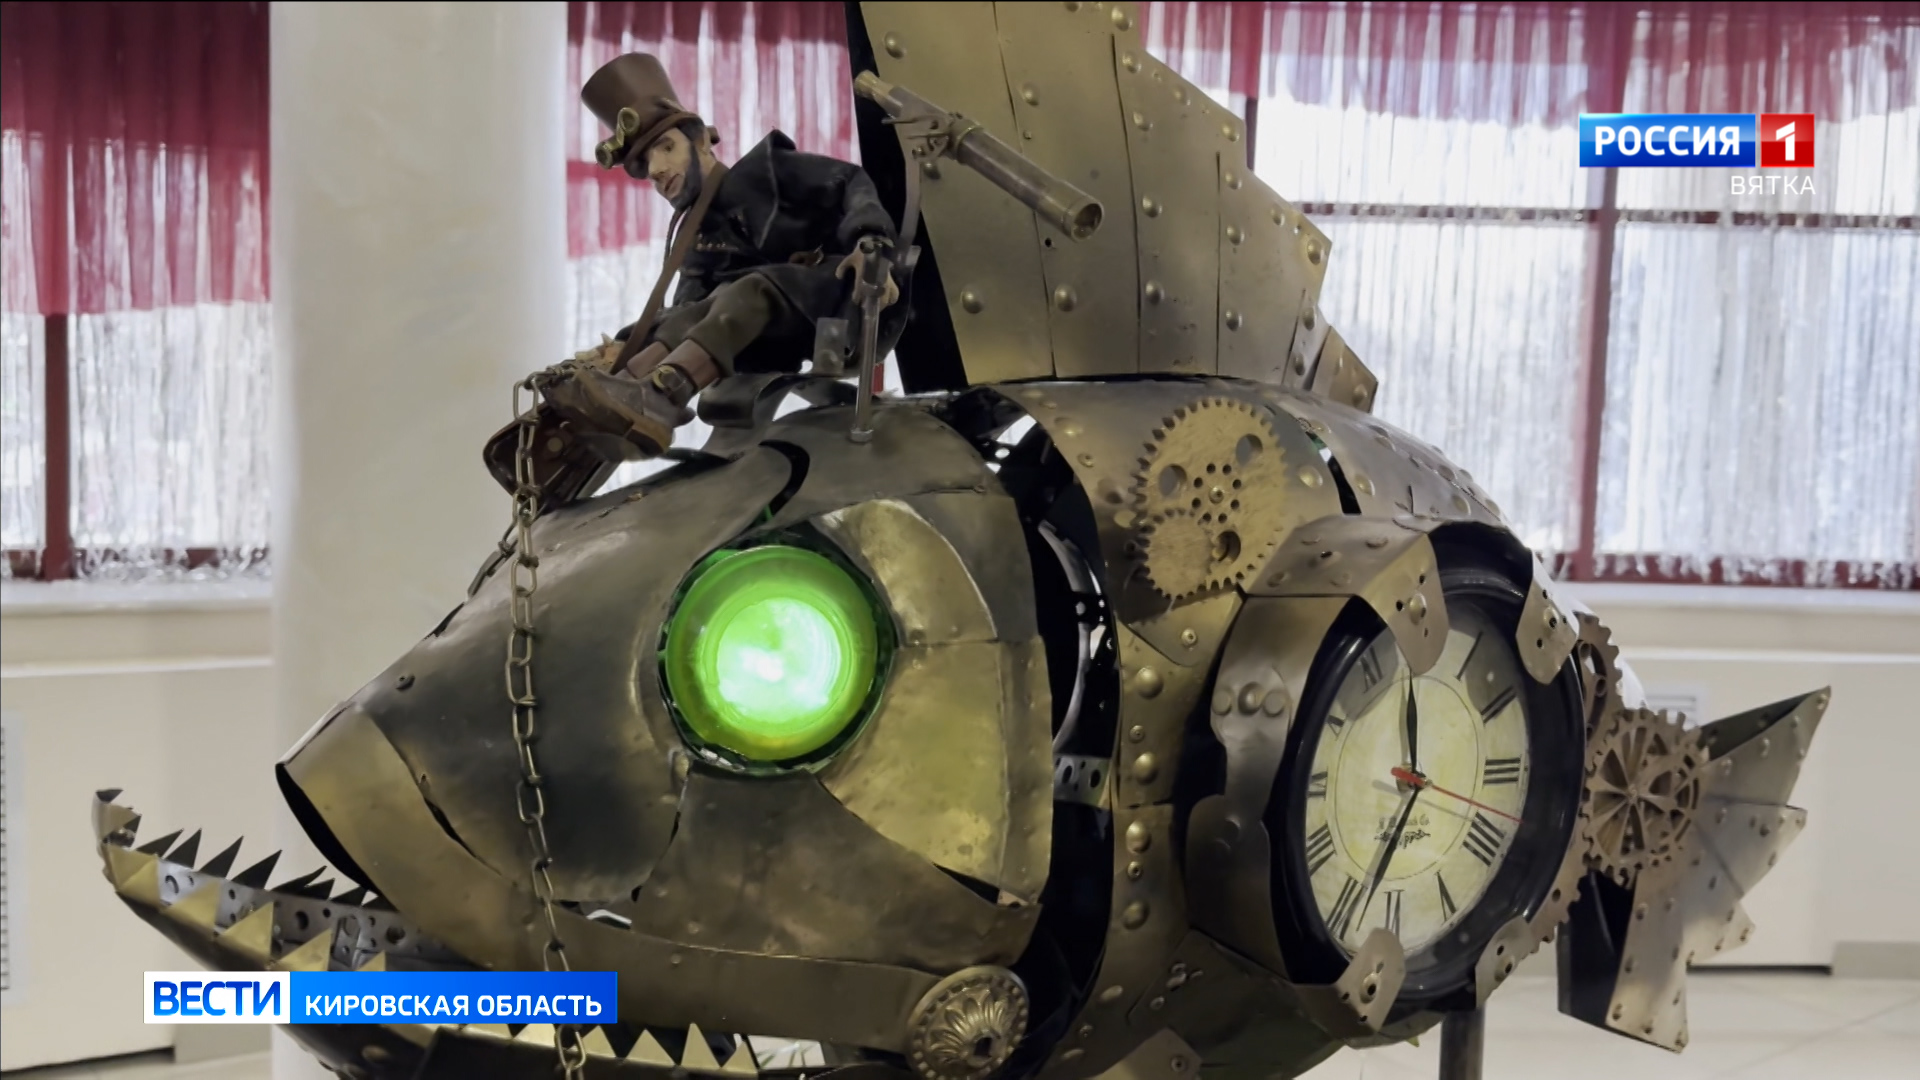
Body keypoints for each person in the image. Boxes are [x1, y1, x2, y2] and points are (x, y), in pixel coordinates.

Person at [543, 52, 901, 459]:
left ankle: (664, 395)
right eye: (646, 164)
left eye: (665, 147)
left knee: (750, 288)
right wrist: (625, 348)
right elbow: (686, 311)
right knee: (696, 310)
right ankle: (626, 387)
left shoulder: (769, 170)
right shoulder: (697, 235)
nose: (657, 169)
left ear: (699, 141)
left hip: (842, 299)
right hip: (766, 337)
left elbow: (850, 181)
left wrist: (870, 241)